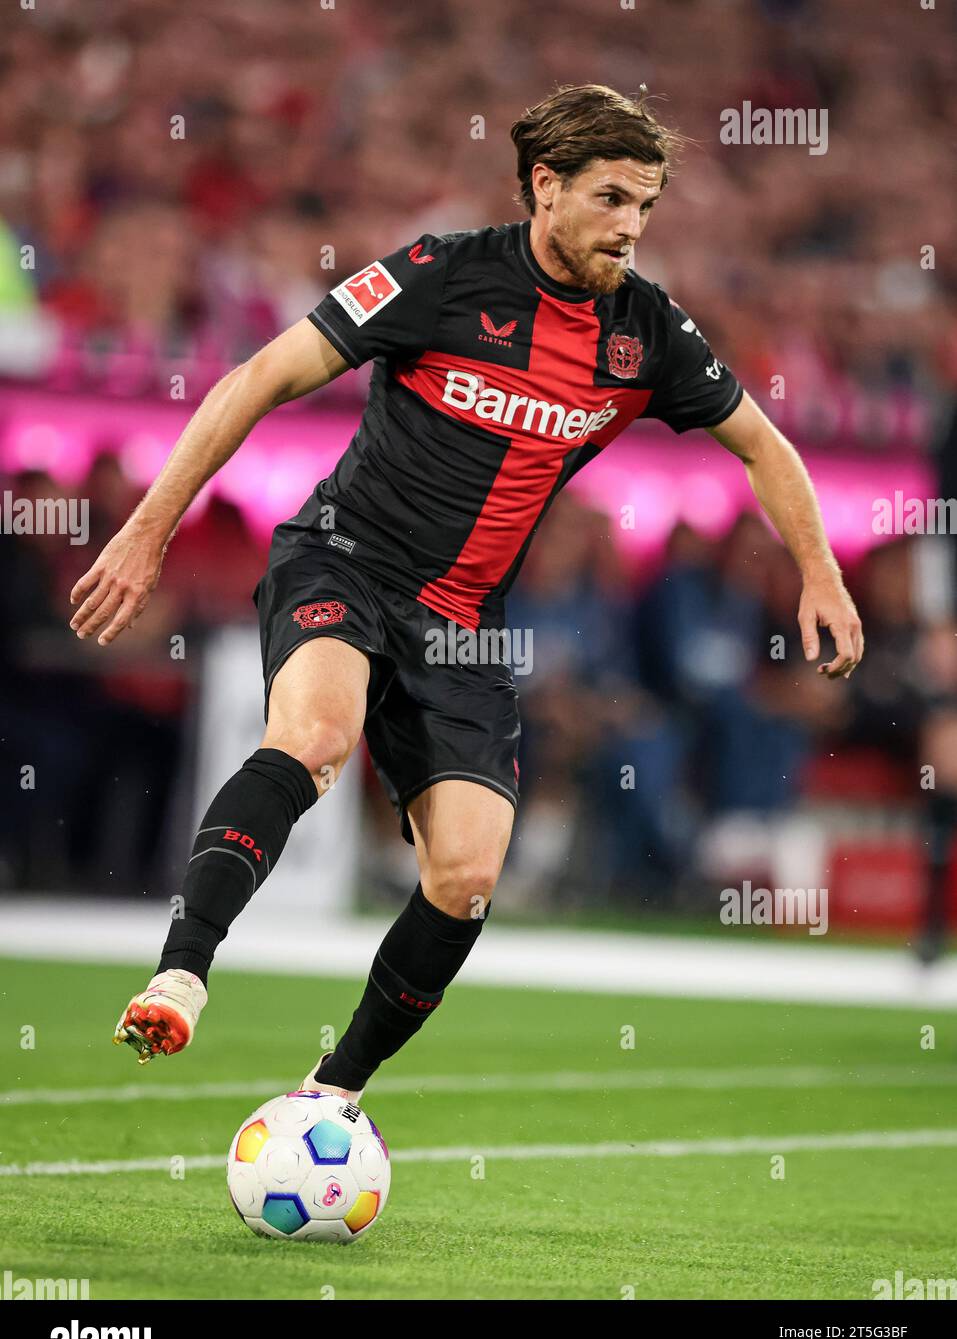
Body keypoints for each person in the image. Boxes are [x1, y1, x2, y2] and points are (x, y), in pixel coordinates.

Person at [69, 84, 863, 1103]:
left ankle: (331, 1094)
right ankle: (182, 969)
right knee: (314, 735)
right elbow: (260, 376)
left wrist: (819, 569)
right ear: (545, 185)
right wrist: (149, 527)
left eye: (646, 207)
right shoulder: (440, 275)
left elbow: (765, 445)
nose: (631, 228)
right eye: (612, 199)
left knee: (468, 875)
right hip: (342, 558)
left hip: (464, 625)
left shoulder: (646, 333)